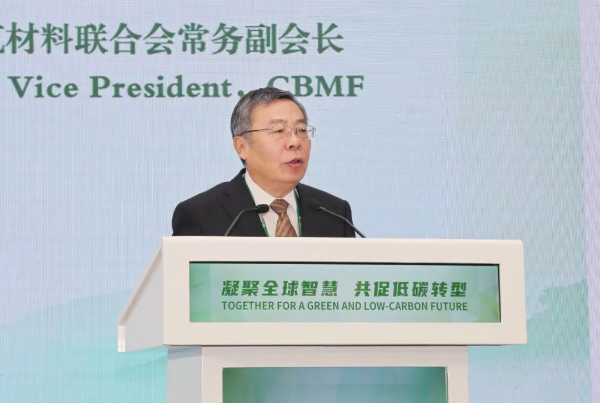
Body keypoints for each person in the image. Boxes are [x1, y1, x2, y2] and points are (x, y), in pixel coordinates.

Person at [172, 87, 356, 237]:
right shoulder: (201, 214)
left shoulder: (335, 213)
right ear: (242, 147)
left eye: (301, 130)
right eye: (278, 131)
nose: (295, 142)